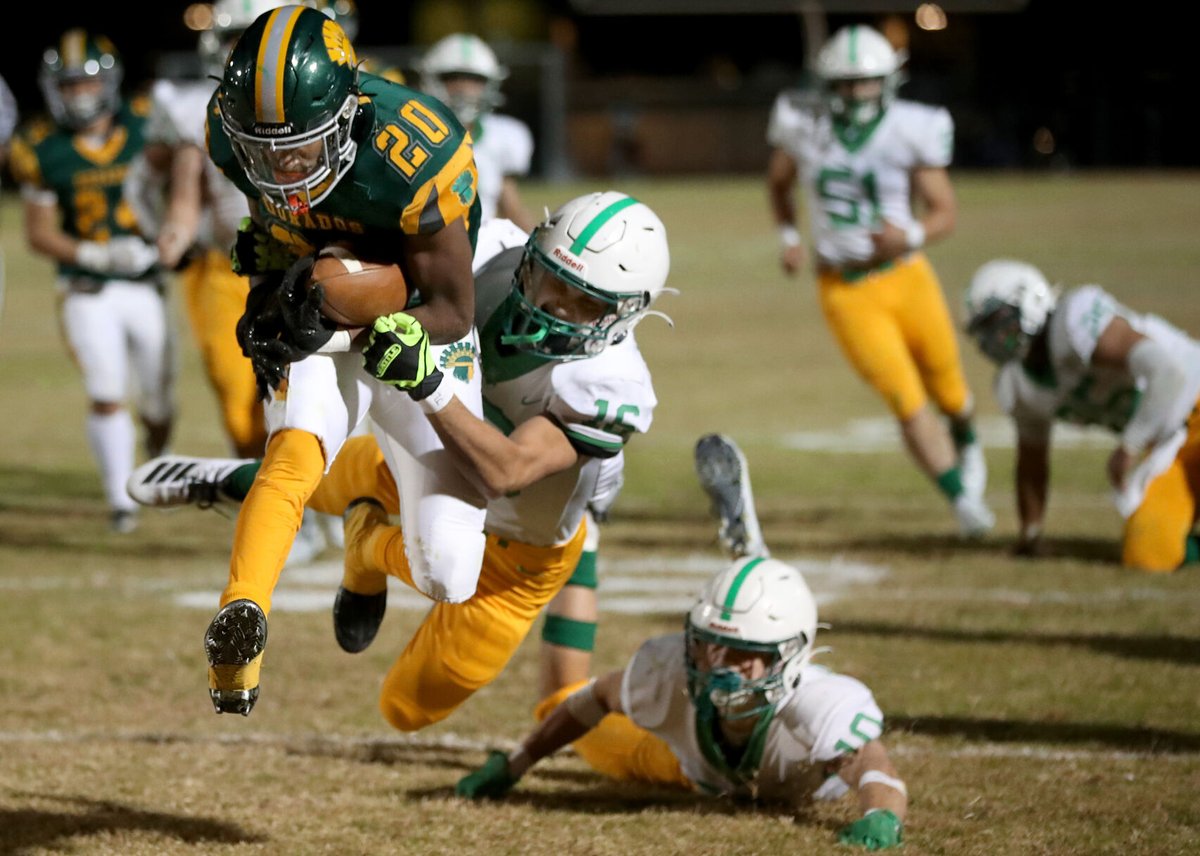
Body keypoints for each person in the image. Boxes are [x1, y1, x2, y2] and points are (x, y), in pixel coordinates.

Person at [129, 191, 672, 733]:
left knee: (407, 708)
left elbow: (504, 473)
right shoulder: (489, 252)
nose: (551, 306)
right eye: (550, 280)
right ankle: (233, 481)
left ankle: (363, 543)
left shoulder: (612, 384)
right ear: (532, 252)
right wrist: (282, 251)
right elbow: (370, 250)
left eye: (583, 304)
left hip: (517, 552)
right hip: (429, 454)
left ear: (626, 314)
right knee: (312, 471)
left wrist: (428, 385)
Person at [193, 4, 486, 716]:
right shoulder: (234, 138)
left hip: (418, 317)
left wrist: (351, 326)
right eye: (265, 153)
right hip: (320, 297)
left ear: (348, 117)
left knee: (450, 572)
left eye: (298, 149)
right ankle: (241, 633)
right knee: (292, 450)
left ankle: (364, 542)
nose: (280, 168)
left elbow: (453, 307)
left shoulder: (414, 152)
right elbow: (279, 223)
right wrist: (269, 290)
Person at [455, 438, 907, 851]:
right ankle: (580, 532)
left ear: (792, 658)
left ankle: (584, 531)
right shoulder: (670, 670)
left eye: (746, 653)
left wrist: (881, 816)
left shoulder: (815, 704)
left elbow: (873, 766)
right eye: (713, 646)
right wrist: (516, 763)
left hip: (697, 768)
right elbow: (591, 699)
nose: (722, 664)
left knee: (563, 701)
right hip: (683, 764)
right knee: (557, 701)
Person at [766, 23, 992, 538]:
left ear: (887, 81)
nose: (854, 94)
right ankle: (960, 500)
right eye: (844, 83)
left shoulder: (912, 126)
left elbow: (945, 212)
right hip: (844, 289)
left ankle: (967, 436)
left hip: (907, 275)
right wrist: (787, 235)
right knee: (904, 396)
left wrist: (909, 232)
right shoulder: (801, 124)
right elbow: (778, 184)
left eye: (865, 82)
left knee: (950, 389)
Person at [8, 29, 172, 534]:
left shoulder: (145, 124)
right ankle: (120, 498)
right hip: (86, 289)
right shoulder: (41, 146)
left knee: (159, 402)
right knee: (105, 389)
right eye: (69, 84)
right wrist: (94, 253)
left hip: (147, 284)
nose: (78, 94)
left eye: (86, 83)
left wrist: (167, 236)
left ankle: (154, 463)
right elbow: (38, 233)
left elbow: (185, 184)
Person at [963, 259, 1200, 572]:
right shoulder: (1017, 384)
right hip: (1170, 446)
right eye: (986, 331)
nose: (993, 340)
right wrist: (1031, 533)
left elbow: (1167, 373)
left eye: (999, 323)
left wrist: (1129, 446)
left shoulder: (1075, 319)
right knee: (1149, 552)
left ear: (1031, 300)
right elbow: (1032, 461)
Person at [419, 32, 535, 231]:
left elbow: (510, 206)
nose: (464, 88)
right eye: (453, 77)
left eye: (475, 80)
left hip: (481, 243)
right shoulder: (414, 132)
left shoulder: (504, 136)